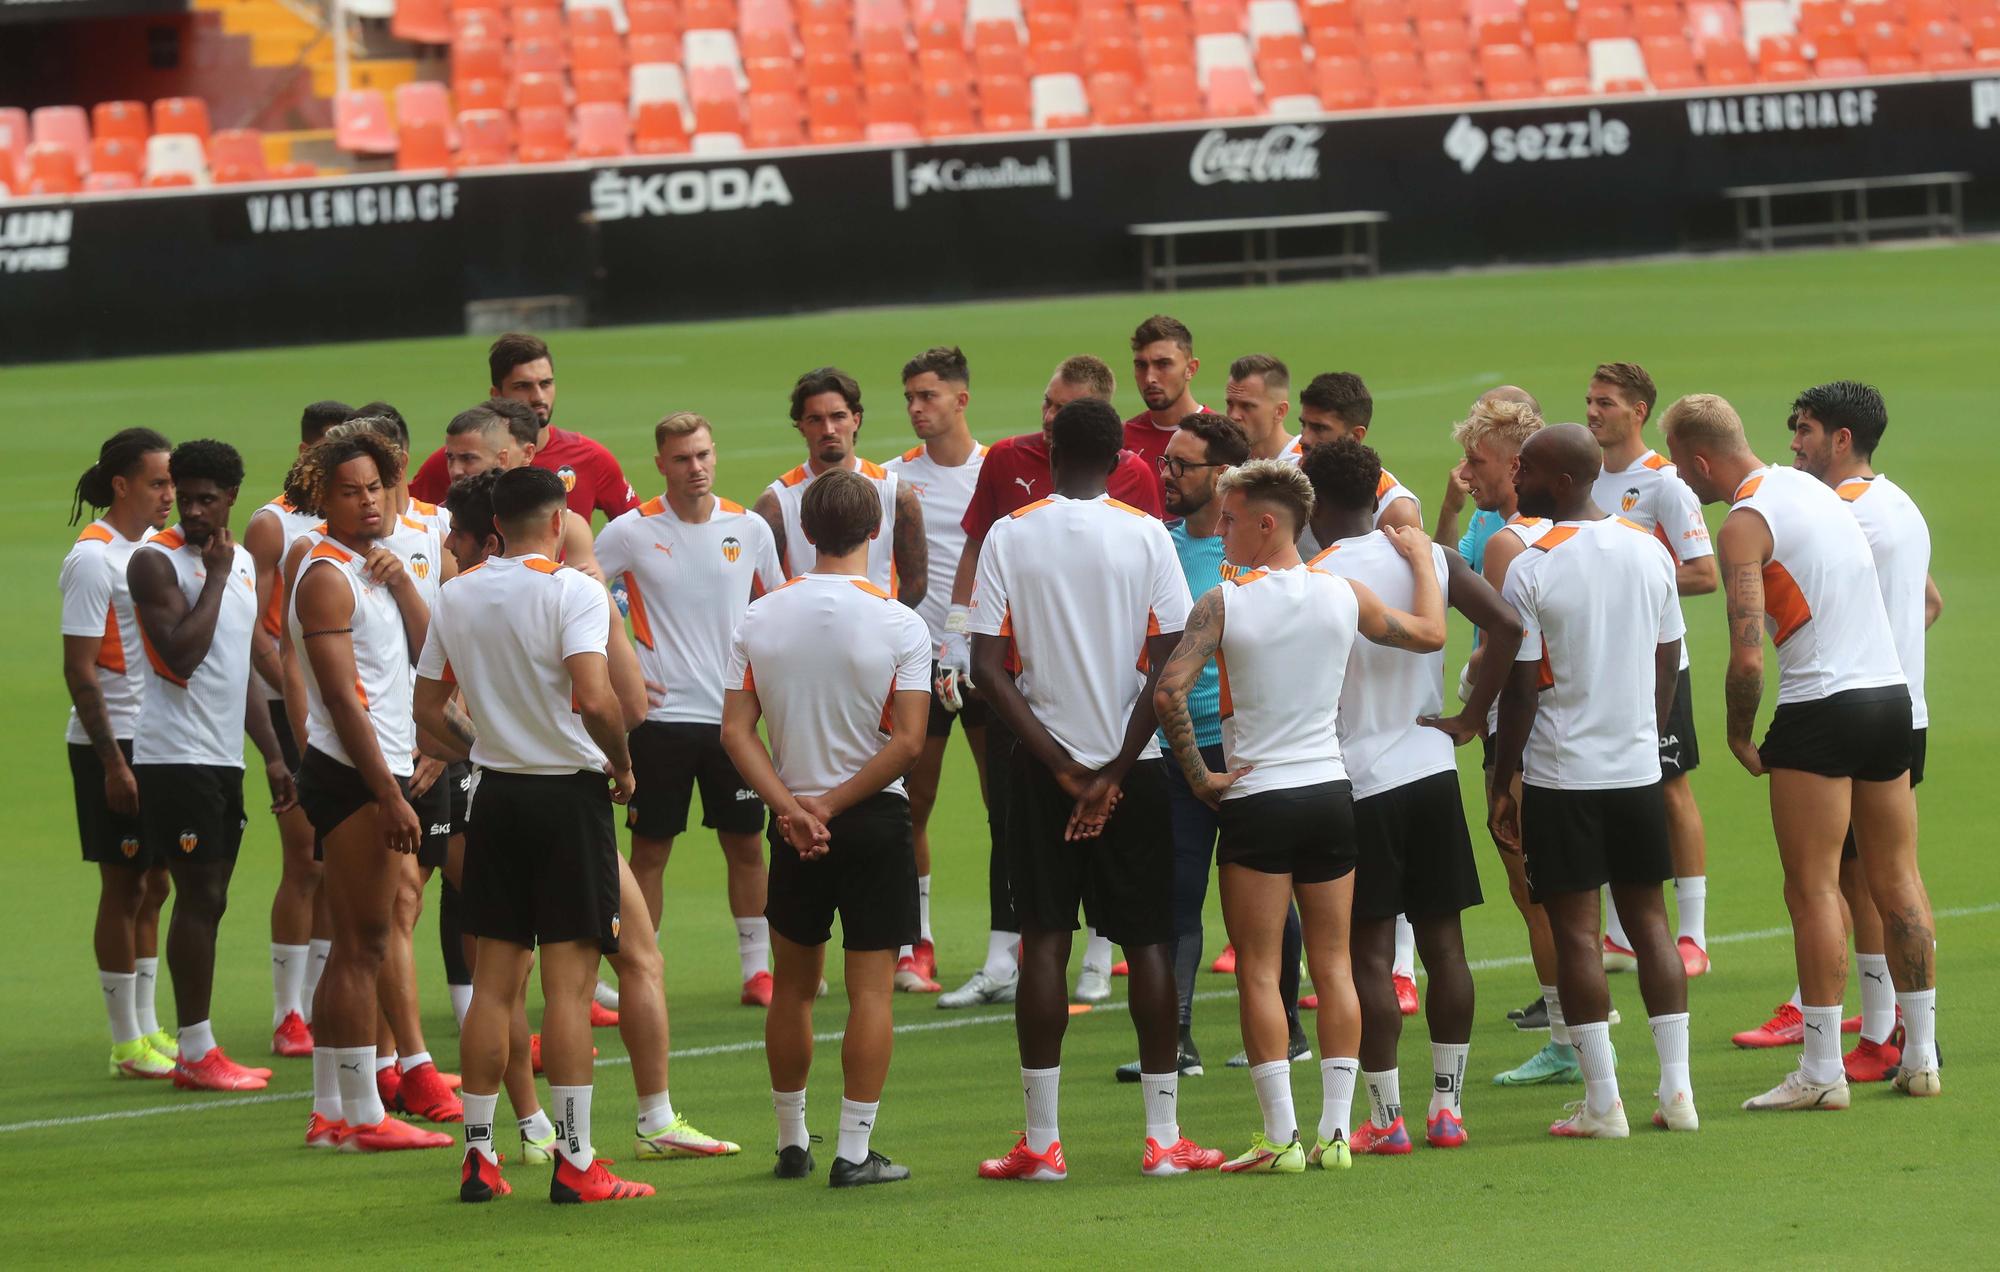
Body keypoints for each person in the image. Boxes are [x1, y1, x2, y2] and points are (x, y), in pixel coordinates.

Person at [1156, 459, 1446, 1173]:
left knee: (1259, 970)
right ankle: (1338, 1134)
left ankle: (1280, 1137)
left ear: (1266, 522)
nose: (1219, 531)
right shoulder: (1342, 594)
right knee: (1336, 965)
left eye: (1229, 519)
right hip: (1330, 795)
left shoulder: (1223, 603)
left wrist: (1202, 779)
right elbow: (1430, 634)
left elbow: (1168, 693)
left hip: (1258, 798)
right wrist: (1424, 562)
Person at [971, 397, 1224, 1182]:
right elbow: (1172, 657)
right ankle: (1162, 1139)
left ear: (1048, 450)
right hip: (1137, 773)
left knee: (1044, 939)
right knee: (1148, 942)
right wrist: (1114, 769)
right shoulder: (1147, 534)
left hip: (1042, 774)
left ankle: (1042, 1144)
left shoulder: (1011, 535)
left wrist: (1061, 768)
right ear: (1123, 458)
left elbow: (985, 666)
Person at [1663, 393, 1939, 1106]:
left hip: (1823, 708)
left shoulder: (1746, 524)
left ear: (1700, 462)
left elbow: (1749, 660)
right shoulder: (1821, 495)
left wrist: (1736, 733)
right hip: (1891, 703)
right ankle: (1922, 1056)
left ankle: (1821, 1073)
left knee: (1813, 888)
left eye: (1681, 470)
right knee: (1899, 879)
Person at [415, 467, 652, 1204]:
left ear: (498, 523)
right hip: (566, 800)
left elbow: (426, 707)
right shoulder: (571, 590)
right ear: (557, 522)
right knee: (570, 991)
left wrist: (479, 744)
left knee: (494, 984)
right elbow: (596, 695)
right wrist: (621, 764)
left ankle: (480, 1156)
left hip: (496, 798)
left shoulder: (458, 593)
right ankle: (577, 1163)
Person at [1305, 439, 1522, 1153]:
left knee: (1369, 956)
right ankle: (1448, 1108)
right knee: (1445, 945)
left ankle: (1386, 1117)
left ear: (1312, 499)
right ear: (1377, 490)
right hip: (1430, 769)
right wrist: (1469, 717)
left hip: (1355, 779)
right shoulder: (1428, 555)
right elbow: (1509, 627)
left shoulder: (1318, 579)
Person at [720, 468, 932, 1188]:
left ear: (805, 533)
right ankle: (852, 1150)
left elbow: (736, 731)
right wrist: (832, 810)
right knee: (870, 990)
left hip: (791, 821)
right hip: (870, 819)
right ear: (875, 532)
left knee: (792, 987)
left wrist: (791, 808)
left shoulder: (760, 617)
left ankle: (790, 1141)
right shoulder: (901, 621)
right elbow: (906, 742)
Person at [1488, 424, 1695, 1138]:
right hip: (1636, 769)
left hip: (1563, 775)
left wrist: (1500, 778)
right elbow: (1670, 657)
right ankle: (1677, 1095)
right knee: (1650, 925)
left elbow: (1519, 690)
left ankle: (1604, 1103)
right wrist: (1649, 733)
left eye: (1530, 469)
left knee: (1577, 935)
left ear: (1568, 481)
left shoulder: (1532, 565)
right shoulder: (1650, 553)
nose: (1517, 478)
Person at [936, 355, 1162, 1011]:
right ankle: (999, 959)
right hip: (1021, 688)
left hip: (1110, 700)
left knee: (1103, 845)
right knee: (1005, 820)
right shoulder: (1006, 458)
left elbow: (1150, 594)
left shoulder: (1135, 479)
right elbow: (974, 547)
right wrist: (956, 637)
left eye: (1060, 409)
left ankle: (1097, 957)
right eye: (1045, 402)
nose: (1046, 417)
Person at [1111, 412, 1309, 1083]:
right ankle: (1178, 1038)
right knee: (1177, 891)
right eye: (1165, 462)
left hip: (1249, 745)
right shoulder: (1155, 544)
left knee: (1268, 895)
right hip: (1176, 749)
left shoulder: (1254, 556)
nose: (1165, 475)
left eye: (1181, 466)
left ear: (1221, 476)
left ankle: (1290, 1027)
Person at [284, 429, 457, 1152]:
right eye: (350, 491)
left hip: (371, 769)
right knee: (366, 942)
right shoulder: (327, 574)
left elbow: (428, 653)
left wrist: (404, 584)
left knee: (350, 941)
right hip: (360, 775)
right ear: (323, 497)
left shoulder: (370, 568)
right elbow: (342, 698)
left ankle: (332, 1111)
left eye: (377, 488)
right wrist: (387, 793)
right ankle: (360, 1118)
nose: (367, 501)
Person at [1773, 381, 1941, 1083]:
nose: (1795, 443)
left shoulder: (1838, 515)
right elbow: (1931, 602)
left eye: (1806, 430)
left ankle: (1879, 1034)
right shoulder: (1900, 504)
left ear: (1842, 439)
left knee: (1857, 880)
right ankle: (1902, 1034)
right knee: (1885, 874)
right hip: (1905, 709)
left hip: (1849, 709)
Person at [595, 411, 784, 1005]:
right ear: (660, 464)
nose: (695, 468)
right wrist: (614, 673)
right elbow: (574, 594)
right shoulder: (629, 531)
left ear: (714, 454)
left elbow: (778, 605)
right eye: (682, 459)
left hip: (735, 721)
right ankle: (638, 968)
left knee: (747, 843)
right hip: (661, 721)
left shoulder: (749, 527)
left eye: (703, 455)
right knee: (650, 849)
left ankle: (758, 971)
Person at [127, 440, 296, 1092]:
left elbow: (236, 668)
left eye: (207, 499)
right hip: (176, 757)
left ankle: (199, 1047)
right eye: (185, 497)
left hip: (221, 756)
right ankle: (196, 1050)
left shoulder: (245, 565)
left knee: (213, 898)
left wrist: (275, 756)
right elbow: (180, 657)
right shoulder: (154, 562)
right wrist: (220, 575)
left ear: (230, 499)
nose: (193, 510)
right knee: (200, 896)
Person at [1585, 363, 1718, 979]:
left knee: (1668, 786)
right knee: (1608, 786)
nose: (1592, 412)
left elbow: (1704, 572)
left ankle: (1691, 934)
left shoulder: (1665, 485)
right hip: (1601, 664)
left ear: (1638, 412)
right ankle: (1617, 934)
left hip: (1658, 663)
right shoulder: (1585, 478)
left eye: (1605, 402)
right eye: (1589, 400)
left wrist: (1628, 587)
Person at [63, 428, 179, 1078]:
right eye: (158, 483)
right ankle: (124, 1041)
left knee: (155, 883)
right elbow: (79, 670)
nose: (169, 494)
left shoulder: (149, 549)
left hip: (156, 737)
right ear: (122, 485)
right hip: (112, 741)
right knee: (123, 882)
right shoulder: (93, 559)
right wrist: (112, 763)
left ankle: (148, 1024)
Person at [883, 347, 989, 994]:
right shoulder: (893, 480)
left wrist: (965, 643)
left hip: (985, 668)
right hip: (918, 669)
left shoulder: (996, 471)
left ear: (961, 400)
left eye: (929, 396)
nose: (918, 408)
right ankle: (914, 943)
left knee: (1002, 806)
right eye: (910, 398)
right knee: (911, 804)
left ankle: (1016, 940)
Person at [248, 400, 351, 1058]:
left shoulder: (359, 523)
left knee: (340, 866)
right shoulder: (273, 524)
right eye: (320, 447)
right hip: (291, 708)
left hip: (350, 712)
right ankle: (289, 1011)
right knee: (304, 856)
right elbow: (258, 630)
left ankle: (320, 1000)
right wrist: (297, 704)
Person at [407, 333, 639, 522]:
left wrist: (609, 576)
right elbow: (403, 521)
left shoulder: (590, 457)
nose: (538, 397)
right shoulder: (457, 461)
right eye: (523, 386)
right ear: (496, 395)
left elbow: (638, 530)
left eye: (546, 383)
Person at [754, 366, 927, 611]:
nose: (828, 430)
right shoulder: (776, 502)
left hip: (875, 637)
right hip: (804, 640)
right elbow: (759, 588)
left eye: (838, 416)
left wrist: (883, 621)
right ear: (801, 425)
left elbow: (916, 582)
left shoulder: (894, 493)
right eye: (816, 419)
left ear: (855, 419)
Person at [438, 400, 606, 581]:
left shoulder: (566, 524)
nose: (455, 470)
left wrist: (580, 586)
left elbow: (598, 594)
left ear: (502, 459)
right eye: (450, 457)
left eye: (468, 458)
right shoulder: (436, 522)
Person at [1292, 372, 1421, 532]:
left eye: (1319, 428)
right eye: (1304, 425)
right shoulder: (1285, 477)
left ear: (1355, 436)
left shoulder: (1395, 510)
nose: (1304, 439)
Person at [1123, 314, 1205, 482]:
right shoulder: (1122, 440)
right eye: (1141, 365)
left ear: (1191, 368)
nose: (1149, 378)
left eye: (1163, 364)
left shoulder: (1222, 438)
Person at [1221, 354, 1299, 461]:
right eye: (1230, 404)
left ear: (1280, 411)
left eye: (1247, 406)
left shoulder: (1302, 465)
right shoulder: (1221, 463)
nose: (1234, 415)